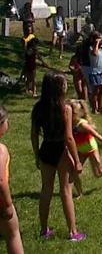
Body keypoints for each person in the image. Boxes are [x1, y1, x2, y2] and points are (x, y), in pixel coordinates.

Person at [30, 73, 86, 241]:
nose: (66, 87)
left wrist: (37, 155)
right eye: (63, 85)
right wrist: (76, 160)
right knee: (66, 190)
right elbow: (69, 137)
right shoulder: (65, 109)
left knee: (46, 189)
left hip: (46, 147)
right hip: (61, 150)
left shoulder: (38, 107)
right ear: (58, 89)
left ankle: (44, 230)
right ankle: (73, 232)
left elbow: (33, 135)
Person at [68, 100, 102, 199]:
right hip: (81, 150)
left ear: (75, 113)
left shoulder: (82, 125)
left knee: (98, 173)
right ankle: (80, 193)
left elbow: (96, 135)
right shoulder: (69, 123)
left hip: (91, 148)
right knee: (74, 172)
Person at [0, 106, 24, 253]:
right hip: (1, 203)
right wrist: (8, 205)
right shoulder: (1, 150)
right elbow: (1, 181)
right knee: (13, 235)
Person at [88, 32, 102, 114]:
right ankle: (94, 108)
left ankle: (100, 107)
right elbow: (95, 54)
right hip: (95, 72)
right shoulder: (91, 48)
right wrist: (97, 43)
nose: (101, 41)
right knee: (95, 91)